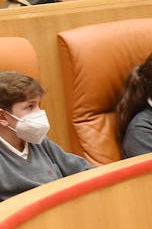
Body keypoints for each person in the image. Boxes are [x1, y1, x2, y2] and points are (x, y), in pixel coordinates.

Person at [0, 71, 90, 201]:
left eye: (38, 105)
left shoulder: (39, 142)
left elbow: (84, 170)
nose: (39, 113)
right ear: (2, 116)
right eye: (30, 107)